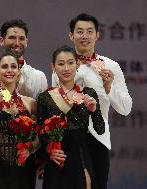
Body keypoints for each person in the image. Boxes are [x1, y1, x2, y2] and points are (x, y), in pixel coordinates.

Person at [51, 13, 132, 189]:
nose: (85, 36)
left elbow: (125, 109)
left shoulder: (110, 66)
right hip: (68, 137)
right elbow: (53, 108)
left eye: (89, 31)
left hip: (98, 137)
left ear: (97, 35)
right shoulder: (62, 65)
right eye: (80, 31)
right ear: (71, 36)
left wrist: (109, 87)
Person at [38, 45, 105, 189]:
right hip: (56, 159)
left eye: (70, 63)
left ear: (77, 64)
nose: (66, 68)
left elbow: (100, 130)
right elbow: (39, 133)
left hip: (81, 159)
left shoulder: (88, 94)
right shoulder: (45, 98)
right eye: (61, 64)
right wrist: (49, 150)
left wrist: (94, 110)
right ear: (53, 67)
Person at [0, 53, 40, 189]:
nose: (9, 70)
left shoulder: (30, 103)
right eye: (4, 67)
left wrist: (30, 149)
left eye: (13, 67)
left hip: (23, 169)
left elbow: (39, 136)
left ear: (18, 72)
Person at [0, 19, 48, 100]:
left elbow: (41, 110)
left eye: (21, 38)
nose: (17, 43)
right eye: (12, 38)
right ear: (2, 41)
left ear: (26, 42)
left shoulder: (39, 78)